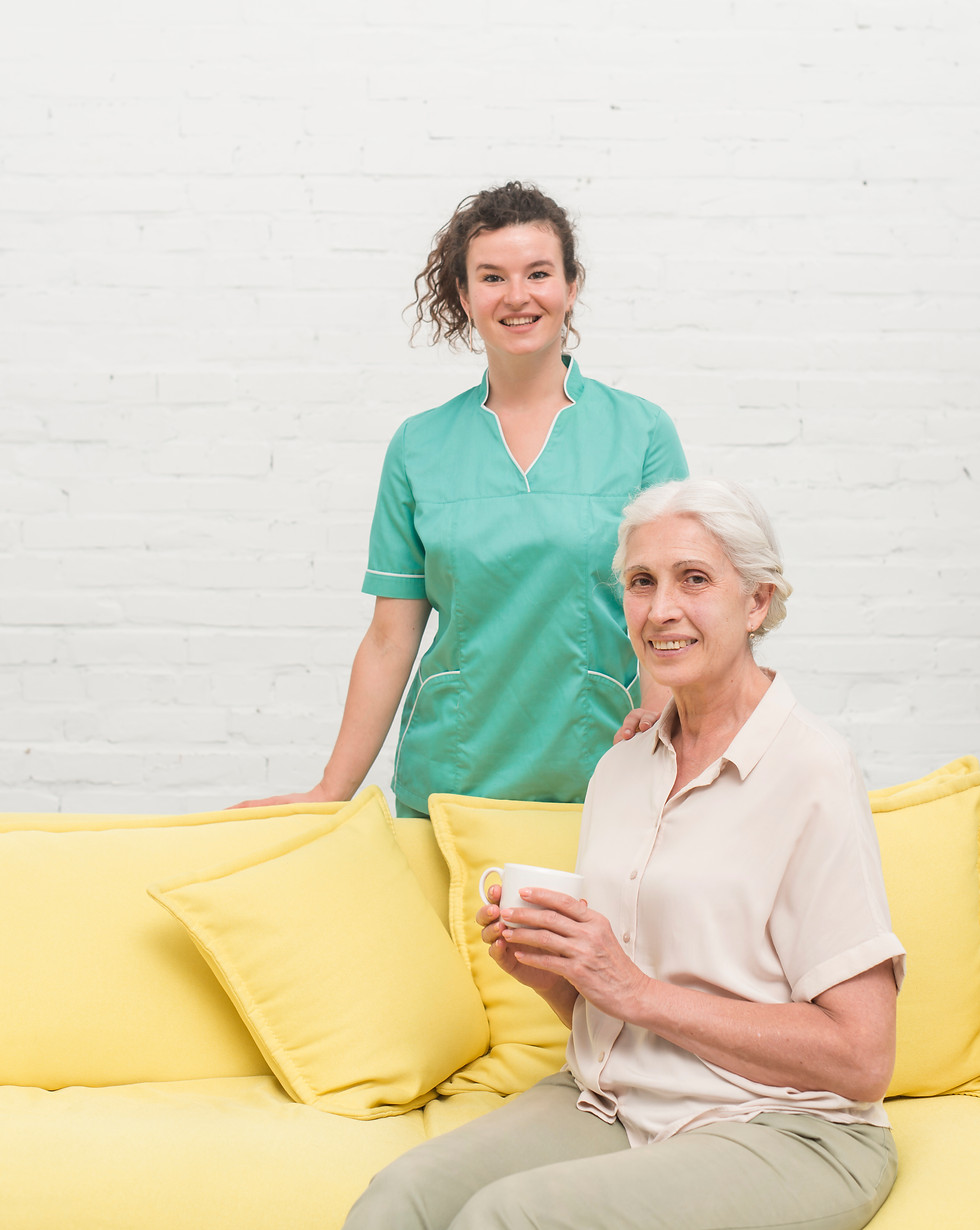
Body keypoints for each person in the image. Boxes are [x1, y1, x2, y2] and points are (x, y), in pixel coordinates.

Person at [342, 477, 905, 1230]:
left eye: (694, 579)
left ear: (758, 602)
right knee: (398, 1201)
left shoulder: (813, 772)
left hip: (786, 1125)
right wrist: (556, 974)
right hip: (616, 1098)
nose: (661, 608)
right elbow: (620, 1006)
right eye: (642, 582)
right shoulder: (622, 767)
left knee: (508, 1218)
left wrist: (634, 990)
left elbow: (863, 1057)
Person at [236, 183, 687, 817]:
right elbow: (392, 639)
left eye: (538, 273)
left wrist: (666, 736)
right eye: (492, 277)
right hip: (449, 777)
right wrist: (329, 792)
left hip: (605, 775)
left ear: (571, 285)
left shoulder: (641, 433)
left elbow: (676, 614)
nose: (517, 296)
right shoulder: (420, 446)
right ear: (463, 294)